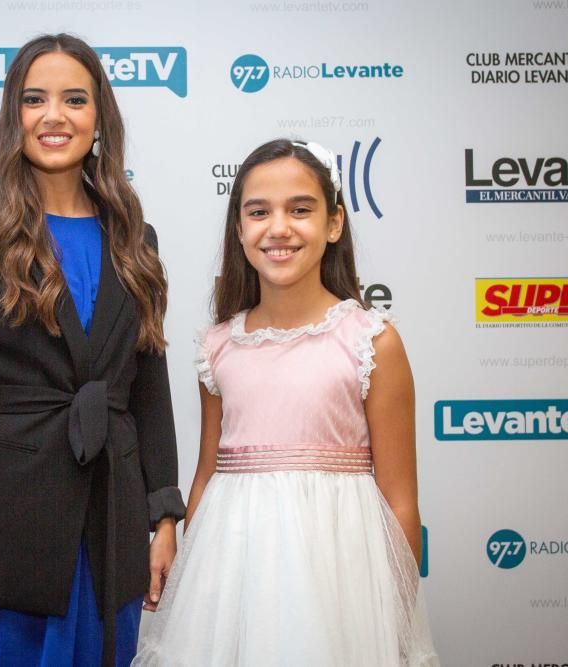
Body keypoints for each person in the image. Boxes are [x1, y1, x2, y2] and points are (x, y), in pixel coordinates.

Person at [0, 34, 185, 667]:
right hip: (2, 537)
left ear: (99, 118)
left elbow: (148, 387)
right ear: (14, 117)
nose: (54, 116)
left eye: (74, 99)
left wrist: (163, 516)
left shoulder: (136, 239)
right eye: (35, 99)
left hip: (110, 529)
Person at [134, 139, 438, 666]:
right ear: (239, 228)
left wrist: (395, 611)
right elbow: (207, 475)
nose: (279, 228)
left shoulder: (371, 340)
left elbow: (400, 499)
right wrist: (194, 586)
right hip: (233, 573)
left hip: (339, 579)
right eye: (259, 212)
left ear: (334, 223)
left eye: (301, 210)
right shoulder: (218, 347)